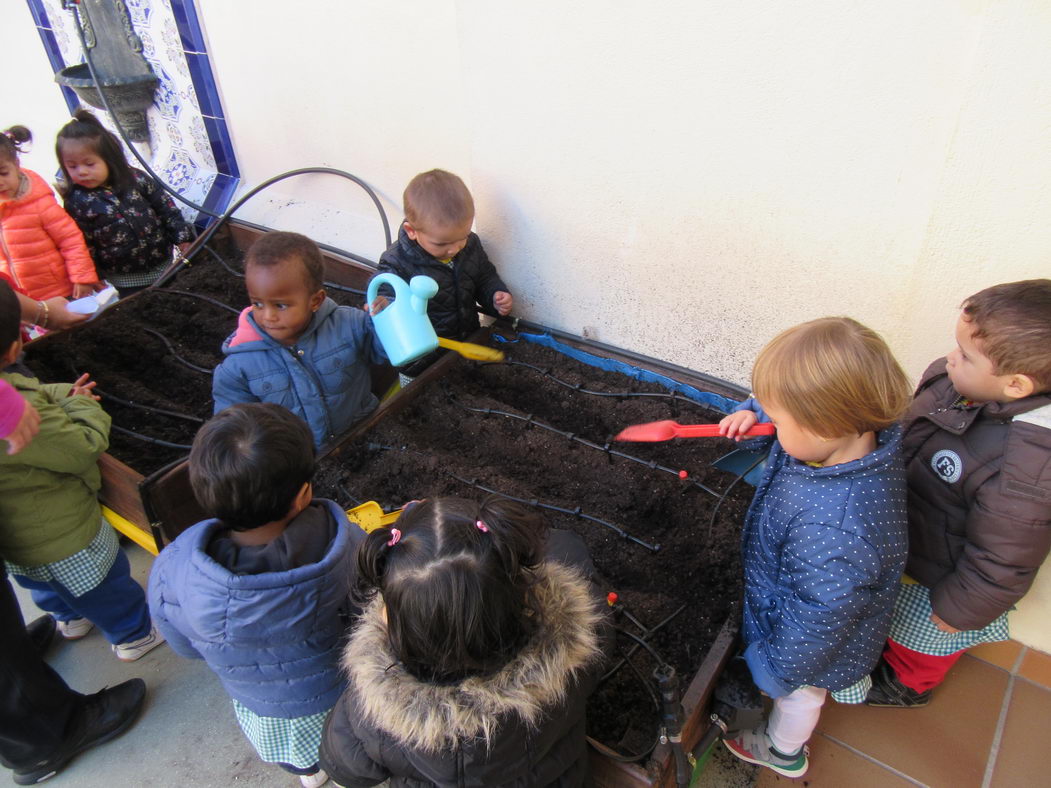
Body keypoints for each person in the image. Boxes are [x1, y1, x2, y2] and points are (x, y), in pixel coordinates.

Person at [717, 317, 912, 778]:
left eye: (777, 417)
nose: (772, 423)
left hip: (810, 652)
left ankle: (784, 750)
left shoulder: (838, 529)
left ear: (823, 422)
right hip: (797, 594)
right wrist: (756, 414)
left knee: (799, 695)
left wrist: (769, 671)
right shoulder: (848, 442)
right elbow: (791, 419)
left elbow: (818, 623)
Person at [318, 495, 611, 787]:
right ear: (521, 594)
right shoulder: (576, 659)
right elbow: (572, 559)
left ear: (394, 622)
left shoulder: (372, 716)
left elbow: (343, 766)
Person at [148, 403, 361, 788]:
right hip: (339, 694)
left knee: (301, 757)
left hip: (264, 707)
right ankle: (343, 771)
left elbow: (184, 644)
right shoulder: (347, 550)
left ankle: (309, 773)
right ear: (301, 496)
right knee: (348, 744)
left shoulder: (173, 566)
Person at [865, 279, 1051, 708]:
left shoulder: (1025, 469)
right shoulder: (958, 386)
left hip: (942, 576)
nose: (950, 357)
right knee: (893, 612)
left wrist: (958, 612)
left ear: (1017, 385)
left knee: (923, 639)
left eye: (965, 356)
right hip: (914, 535)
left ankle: (909, 684)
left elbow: (1005, 559)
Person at [0, 279, 165, 662]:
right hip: (68, 536)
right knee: (105, 586)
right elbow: (82, 448)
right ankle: (133, 635)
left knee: (44, 584)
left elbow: (30, 391)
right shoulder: (24, 417)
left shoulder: (11, 398)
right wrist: (84, 405)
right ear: (14, 348)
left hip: (19, 540)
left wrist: (60, 394)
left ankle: (70, 620)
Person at [212, 231, 387, 448]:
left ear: (315, 301)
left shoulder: (348, 324)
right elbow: (234, 431)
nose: (268, 316)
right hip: (301, 460)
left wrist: (385, 320)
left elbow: (386, 352)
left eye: (281, 305)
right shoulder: (238, 367)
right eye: (257, 303)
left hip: (364, 433)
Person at [374, 169, 512, 380]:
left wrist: (495, 294)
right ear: (412, 231)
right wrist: (385, 304)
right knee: (419, 401)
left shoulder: (470, 245)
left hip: (465, 341)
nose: (454, 249)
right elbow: (388, 297)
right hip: (421, 361)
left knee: (466, 387)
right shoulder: (397, 262)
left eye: (462, 237)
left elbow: (483, 275)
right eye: (441, 243)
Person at [56, 110, 193, 296]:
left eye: (89, 164)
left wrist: (183, 238)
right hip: (125, 278)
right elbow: (82, 244)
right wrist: (93, 276)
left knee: (172, 298)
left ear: (109, 159)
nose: (81, 172)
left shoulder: (135, 179)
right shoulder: (77, 201)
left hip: (163, 263)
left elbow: (164, 206)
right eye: (72, 166)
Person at [0, 125, 99, 304]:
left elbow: (70, 240)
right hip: (21, 301)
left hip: (60, 293)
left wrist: (82, 277)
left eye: (3, 173)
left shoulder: (39, 203)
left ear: (16, 165)